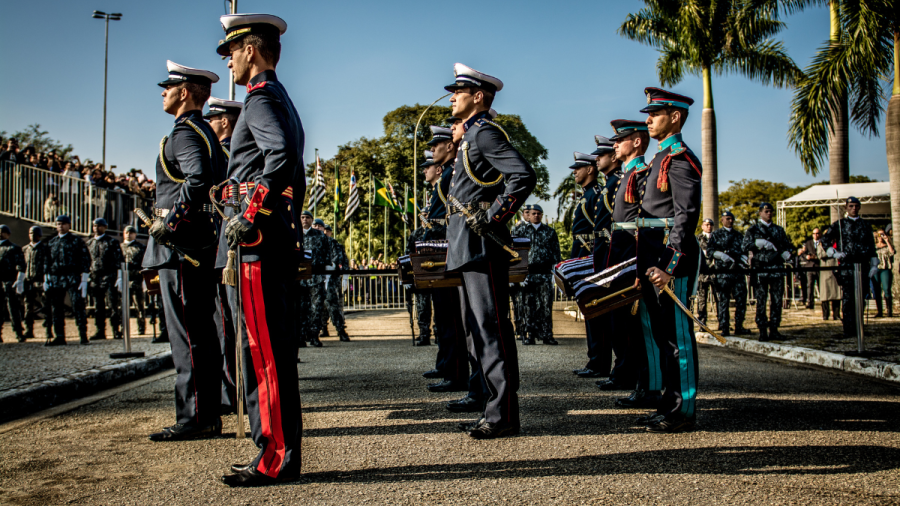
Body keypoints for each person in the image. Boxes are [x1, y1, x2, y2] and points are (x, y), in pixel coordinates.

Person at [216, 13, 305, 486]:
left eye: (231, 51)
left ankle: (274, 457)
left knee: (264, 354)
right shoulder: (279, 99)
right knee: (269, 353)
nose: (228, 60)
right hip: (272, 242)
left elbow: (282, 160)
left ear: (251, 50)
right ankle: (275, 450)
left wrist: (250, 213)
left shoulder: (260, 100)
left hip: (256, 247)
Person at [444, 63, 536, 439]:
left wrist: (496, 215)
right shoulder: (469, 138)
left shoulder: (484, 134)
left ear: (478, 97)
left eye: (458, 91)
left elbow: (523, 175)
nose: (452, 97)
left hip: (482, 245)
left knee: (491, 328)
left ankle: (503, 415)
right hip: (467, 245)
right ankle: (491, 406)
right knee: (477, 331)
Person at [144, 60, 226, 442]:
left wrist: (171, 223)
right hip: (200, 243)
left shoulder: (184, 133)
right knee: (201, 333)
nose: (162, 92)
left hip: (182, 247)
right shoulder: (205, 132)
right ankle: (205, 413)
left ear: (185, 92)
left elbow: (199, 178)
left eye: (168, 87)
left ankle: (196, 417)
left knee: (188, 336)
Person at [634, 88, 702, 433]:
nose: (647, 119)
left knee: (678, 339)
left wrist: (669, 266)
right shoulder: (660, 159)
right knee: (663, 339)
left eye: (655, 113)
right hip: (651, 257)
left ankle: (682, 409)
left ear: (675, 117)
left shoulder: (680, 158)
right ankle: (667, 403)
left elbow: (685, 216)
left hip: (669, 260)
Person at [603, 121, 660, 406]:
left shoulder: (641, 174)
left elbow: (643, 225)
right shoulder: (629, 174)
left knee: (641, 325)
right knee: (630, 326)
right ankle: (642, 382)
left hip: (634, 258)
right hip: (623, 257)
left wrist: (640, 265)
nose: (615, 144)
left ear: (636, 142)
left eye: (620, 139)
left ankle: (649, 387)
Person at [820, 197, 878, 338]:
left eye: (856, 206)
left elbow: (871, 245)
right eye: (851, 206)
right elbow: (825, 239)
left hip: (863, 265)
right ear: (846, 207)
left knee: (861, 298)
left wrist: (874, 264)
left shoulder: (865, 225)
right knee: (848, 299)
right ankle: (848, 328)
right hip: (847, 265)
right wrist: (833, 253)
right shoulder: (839, 225)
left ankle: (859, 328)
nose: (854, 208)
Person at [742, 202, 793, 341]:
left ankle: (774, 328)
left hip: (776, 268)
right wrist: (757, 244)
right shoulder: (753, 230)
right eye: (766, 211)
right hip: (761, 270)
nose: (769, 213)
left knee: (777, 301)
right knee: (761, 301)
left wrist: (787, 253)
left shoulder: (779, 229)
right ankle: (762, 329)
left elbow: (787, 245)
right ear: (760, 213)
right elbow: (745, 246)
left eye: (770, 211)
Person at [43, 215, 90, 345]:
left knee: (77, 305)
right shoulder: (51, 242)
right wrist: (46, 278)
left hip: (72, 276)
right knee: (56, 308)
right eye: (58, 224)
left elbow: (85, 259)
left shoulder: (76, 241)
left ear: (69, 225)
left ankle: (83, 334)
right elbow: (47, 261)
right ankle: (59, 336)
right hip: (56, 277)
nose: (60, 226)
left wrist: (84, 279)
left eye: (63, 224)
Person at [519, 204, 561, 346]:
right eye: (533, 213)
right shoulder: (521, 231)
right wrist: (518, 275)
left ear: (542, 215)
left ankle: (547, 335)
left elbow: (556, 254)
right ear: (528, 215)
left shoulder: (550, 232)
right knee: (528, 306)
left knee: (546, 306)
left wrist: (556, 274)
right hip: (528, 274)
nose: (536, 215)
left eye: (539, 213)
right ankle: (529, 335)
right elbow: (516, 253)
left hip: (544, 274)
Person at [408, 150, 435, 346]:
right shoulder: (415, 235)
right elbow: (409, 255)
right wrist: (409, 277)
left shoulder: (436, 231)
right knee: (423, 307)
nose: (425, 219)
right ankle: (424, 334)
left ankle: (440, 335)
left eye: (428, 215)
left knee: (441, 309)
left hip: (438, 272)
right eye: (422, 216)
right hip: (421, 276)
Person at [706, 211, 749, 336]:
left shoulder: (738, 235)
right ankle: (724, 326)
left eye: (732, 219)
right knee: (723, 300)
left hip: (737, 272)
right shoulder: (716, 235)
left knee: (741, 299)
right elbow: (710, 251)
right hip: (723, 273)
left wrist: (743, 259)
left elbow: (744, 250)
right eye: (728, 218)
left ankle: (739, 326)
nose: (730, 221)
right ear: (722, 219)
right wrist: (721, 255)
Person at [86, 218, 124, 340]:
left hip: (109, 276)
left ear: (105, 227)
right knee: (98, 306)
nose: (96, 228)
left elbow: (119, 260)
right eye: (94, 226)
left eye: (99, 226)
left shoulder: (111, 242)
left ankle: (116, 330)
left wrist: (119, 277)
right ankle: (100, 330)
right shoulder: (89, 243)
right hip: (95, 277)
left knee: (113, 305)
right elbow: (86, 262)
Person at [317, 222, 350, 341]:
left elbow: (340, 259)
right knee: (318, 307)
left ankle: (340, 330)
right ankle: (322, 329)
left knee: (333, 305)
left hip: (331, 280)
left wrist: (345, 277)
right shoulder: (311, 240)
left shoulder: (333, 243)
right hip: (316, 279)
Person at [298, 215, 328, 346]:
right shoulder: (295, 232)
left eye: (308, 217)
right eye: (302, 217)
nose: (305, 220)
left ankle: (314, 335)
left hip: (316, 276)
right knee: (301, 308)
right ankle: (301, 336)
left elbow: (327, 253)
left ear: (311, 220)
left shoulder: (320, 235)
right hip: (300, 277)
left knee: (316, 308)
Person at [22, 225, 52, 341]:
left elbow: (47, 264)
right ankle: (28, 330)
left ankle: (48, 330)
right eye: (30, 233)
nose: (32, 235)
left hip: (41, 280)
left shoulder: (44, 249)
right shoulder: (25, 249)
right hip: (29, 280)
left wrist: (46, 279)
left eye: (34, 233)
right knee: (28, 307)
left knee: (46, 306)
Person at [0, 224, 26, 342]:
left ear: (8, 234)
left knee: (13, 309)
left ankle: (19, 332)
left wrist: (19, 280)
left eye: (2, 232)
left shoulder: (14, 248)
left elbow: (21, 265)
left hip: (9, 281)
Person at [120, 226, 147, 335]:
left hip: (136, 280)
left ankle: (141, 327)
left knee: (139, 306)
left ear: (135, 234)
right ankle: (122, 328)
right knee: (122, 306)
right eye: (126, 232)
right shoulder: (119, 247)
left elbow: (144, 264)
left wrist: (145, 279)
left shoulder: (140, 247)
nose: (128, 234)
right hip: (123, 279)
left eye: (131, 232)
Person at [816, 231, 842, 320]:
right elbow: (819, 255)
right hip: (825, 271)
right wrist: (829, 253)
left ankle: (836, 314)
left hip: (836, 270)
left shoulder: (838, 243)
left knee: (837, 294)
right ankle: (825, 315)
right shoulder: (821, 244)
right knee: (825, 294)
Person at [696, 218, 716, 325]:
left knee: (720, 299)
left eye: (711, 224)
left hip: (715, 273)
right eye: (707, 224)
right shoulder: (697, 239)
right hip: (702, 274)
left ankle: (723, 323)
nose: (709, 227)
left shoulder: (717, 238)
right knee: (702, 300)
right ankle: (702, 323)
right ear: (702, 226)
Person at [799, 228, 823, 310]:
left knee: (821, 285)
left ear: (820, 234)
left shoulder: (822, 243)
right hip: (810, 266)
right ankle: (810, 302)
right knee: (810, 285)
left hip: (819, 266)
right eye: (814, 233)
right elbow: (803, 253)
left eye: (817, 233)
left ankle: (823, 302)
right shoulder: (808, 243)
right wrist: (806, 256)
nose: (815, 235)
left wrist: (815, 257)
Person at [872, 229, 894, 318]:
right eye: (879, 234)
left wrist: (887, 241)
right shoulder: (874, 246)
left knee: (886, 289)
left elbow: (892, 252)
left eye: (882, 234)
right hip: (876, 269)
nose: (880, 236)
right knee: (877, 290)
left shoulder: (887, 245)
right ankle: (879, 311)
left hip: (885, 269)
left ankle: (889, 311)